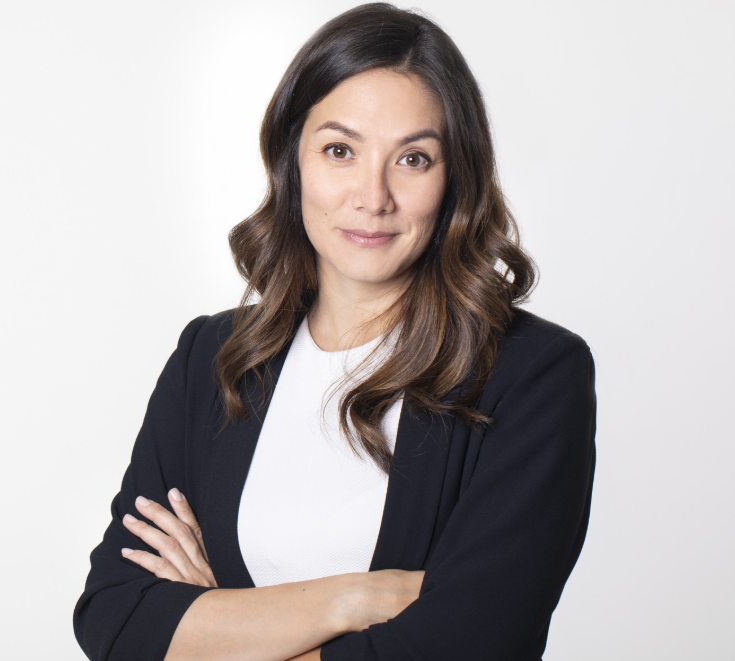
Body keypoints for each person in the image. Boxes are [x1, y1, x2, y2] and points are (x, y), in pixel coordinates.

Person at [73, 4, 596, 660]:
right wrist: (351, 598)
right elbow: (115, 617)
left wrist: (217, 627)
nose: (372, 197)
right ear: (293, 159)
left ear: (454, 176)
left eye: (413, 158)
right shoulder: (212, 358)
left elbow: (469, 644)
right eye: (340, 150)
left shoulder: (533, 374)